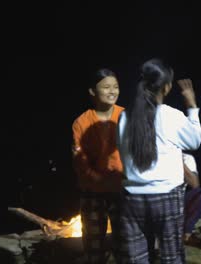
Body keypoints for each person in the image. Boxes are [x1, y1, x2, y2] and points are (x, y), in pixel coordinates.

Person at [116, 59, 201, 264]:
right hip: (166, 197)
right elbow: (195, 140)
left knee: (136, 259)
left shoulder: (124, 117)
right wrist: (192, 106)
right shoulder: (172, 115)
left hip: (132, 199)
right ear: (167, 86)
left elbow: (122, 155)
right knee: (170, 258)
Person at [71, 68, 124, 263]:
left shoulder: (125, 116)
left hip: (122, 190)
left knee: (125, 243)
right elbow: (80, 161)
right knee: (94, 246)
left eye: (116, 87)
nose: (112, 91)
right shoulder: (81, 122)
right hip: (92, 192)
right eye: (106, 87)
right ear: (93, 91)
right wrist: (98, 180)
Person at [182, 152, 201, 245]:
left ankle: (187, 233)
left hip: (179, 196)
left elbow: (194, 184)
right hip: (160, 194)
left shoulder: (187, 158)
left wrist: (179, 161)